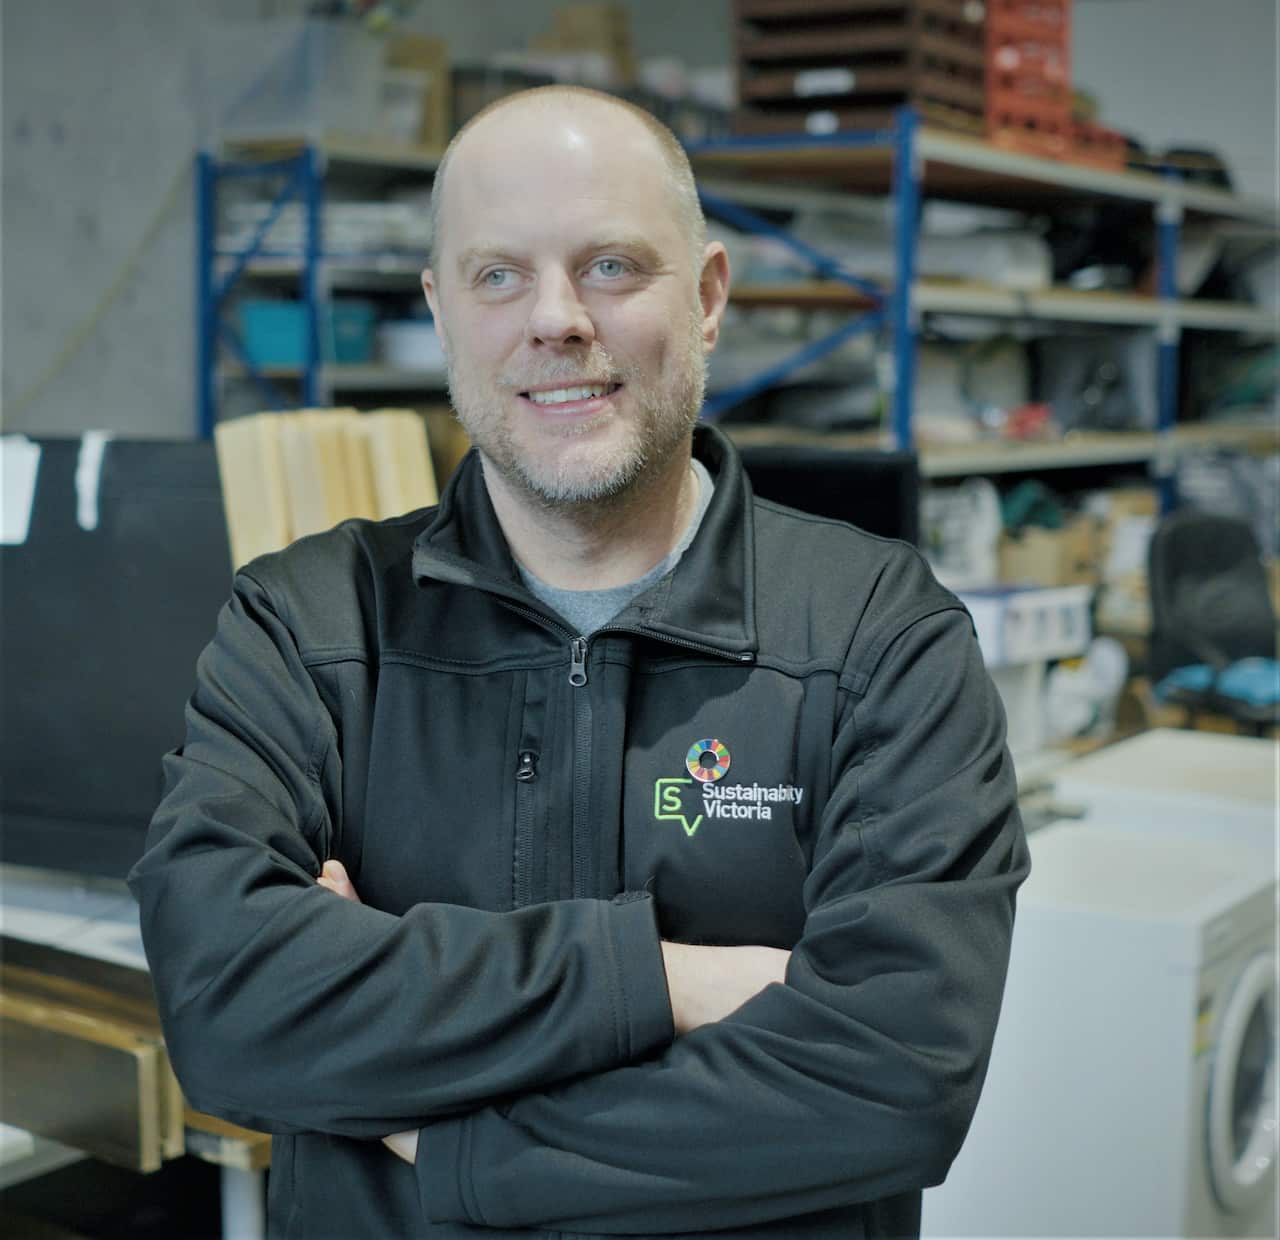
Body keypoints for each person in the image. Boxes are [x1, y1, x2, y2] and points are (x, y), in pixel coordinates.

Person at [131, 85, 1028, 1239]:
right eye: (496, 275)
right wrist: (663, 981)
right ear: (441, 311)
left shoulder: (876, 640)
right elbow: (225, 1008)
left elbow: (896, 1078)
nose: (553, 318)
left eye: (609, 265)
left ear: (706, 298)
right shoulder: (305, 631)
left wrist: (455, 1149)